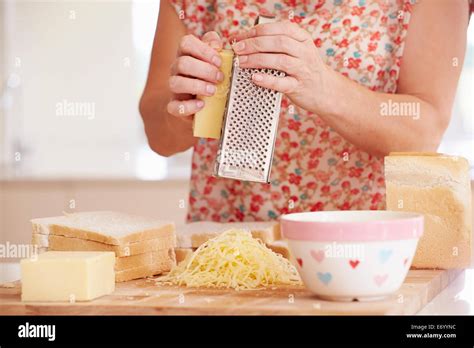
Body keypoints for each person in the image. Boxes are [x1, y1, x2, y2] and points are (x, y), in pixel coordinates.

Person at [140, 0, 470, 222]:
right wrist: (185, 110)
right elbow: (159, 135)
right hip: (231, 244)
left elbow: (424, 132)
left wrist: (323, 87)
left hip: (364, 252)